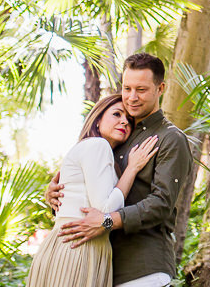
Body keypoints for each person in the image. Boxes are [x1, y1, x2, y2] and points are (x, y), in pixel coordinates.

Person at [50, 53, 194, 287]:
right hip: (99, 268)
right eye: (127, 88)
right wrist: (54, 193)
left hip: (143, 270)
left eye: (141, 89)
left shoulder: (170, 138)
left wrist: (107, 221)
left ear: (161, 89)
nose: (132, 97)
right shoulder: (117, 135)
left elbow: (161, 205)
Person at [27, 95, 159, 287]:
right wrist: (132, 169)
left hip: (77, 245)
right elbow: (104, 208)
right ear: (97, 120)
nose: (124, 121)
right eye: (116, 114)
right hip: (77, 248)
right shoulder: (98, 145)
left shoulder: (97, 152)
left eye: (129, 120)